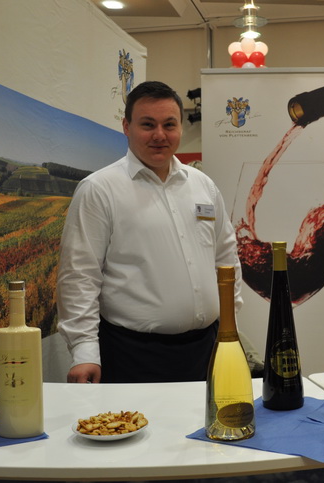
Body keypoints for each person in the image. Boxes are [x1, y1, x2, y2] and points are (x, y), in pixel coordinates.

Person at [56, 81, 242, 384]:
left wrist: (230, 324)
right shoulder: (99, 190)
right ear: (126, 126)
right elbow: (79, 276)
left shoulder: (203, 185)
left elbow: (226, 258)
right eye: (147, 124)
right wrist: (84, 351)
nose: (159, 135)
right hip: (132, 355)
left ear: (180, 127)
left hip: (207, 349)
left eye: (169, 124)